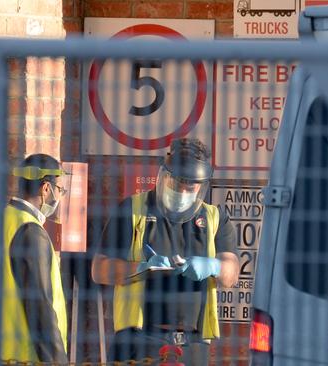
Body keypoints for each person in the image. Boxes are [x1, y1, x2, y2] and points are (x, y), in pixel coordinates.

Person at [91, 138, 239, 364]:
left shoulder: (215, 218)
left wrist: (213, 266)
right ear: (164, 175)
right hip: (139, 338)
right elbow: (99, 270)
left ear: (201, 185)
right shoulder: (133, 210)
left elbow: (231, 272)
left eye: (190, 185)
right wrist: (142, 267)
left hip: (193, 342)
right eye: (177, 182)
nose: (182, 190)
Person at [1, 153, 69, 363]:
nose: (59, 197)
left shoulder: (5, 219)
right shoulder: (30, 231)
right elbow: (40, 306)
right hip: (27, 356)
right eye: (60, 190)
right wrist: (58, 361)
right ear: (46, 188)